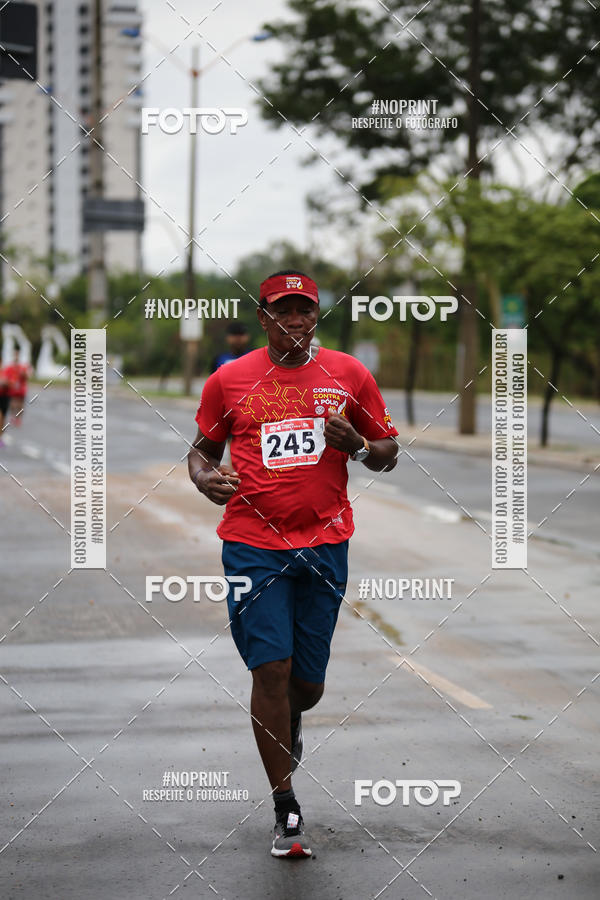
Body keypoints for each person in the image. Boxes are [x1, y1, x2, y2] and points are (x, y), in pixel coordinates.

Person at [188, 270, 398, 858]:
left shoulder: (349, 374)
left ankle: (289, 723)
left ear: (316, 316)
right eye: (283, 311)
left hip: (326, 544)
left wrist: (358, 446)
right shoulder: (229, 379)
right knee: (271, 673)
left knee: (307, 684)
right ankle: (286, 807)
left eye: (305, 310)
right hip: (252, 545)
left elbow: (388, 453)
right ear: (264, 318)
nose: (296, 320)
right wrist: (206, 479)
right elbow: (201, 452)